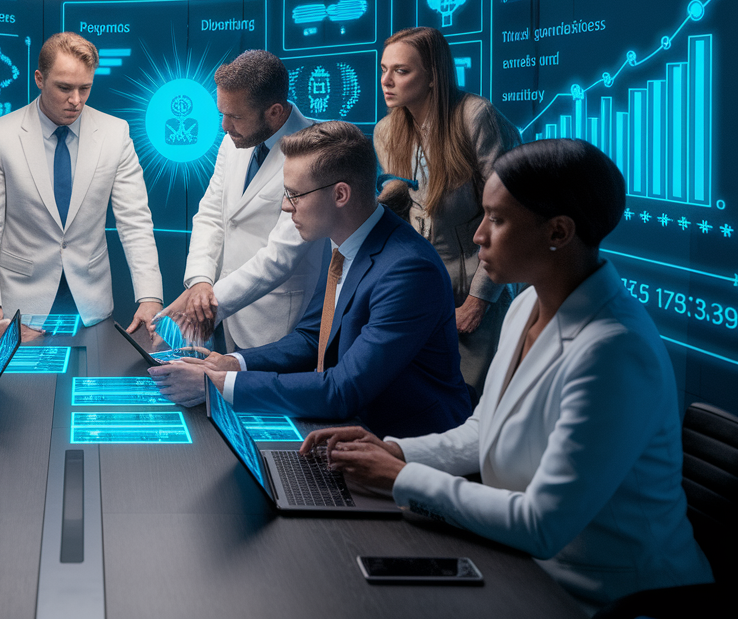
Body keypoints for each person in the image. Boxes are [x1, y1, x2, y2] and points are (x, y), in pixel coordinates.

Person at [302, 140, 713, 608]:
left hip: (607, 597)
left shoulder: (616, 351)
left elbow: (543, 524)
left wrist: (399, 477)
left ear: (558, 231)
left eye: (496, 219)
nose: (478, 235)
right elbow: (486, 431)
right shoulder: (525, 307)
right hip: (522, 567)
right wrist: (393, 449)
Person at [150, 121, 471, 440]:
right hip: (355, 430)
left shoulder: (409, 270)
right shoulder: (346, 241)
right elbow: (312, 336)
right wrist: (232, 363)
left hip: (407, 447)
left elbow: (344, 389)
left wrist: (218, 385)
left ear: (340, 194)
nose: (286, 206)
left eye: (294, 195)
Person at [0, 31, 162, 331]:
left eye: (85, 88)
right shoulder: (0, 136)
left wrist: (150, 296)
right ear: (39, 79)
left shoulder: (115, 133)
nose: (76, 100)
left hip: (91, 301)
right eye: (64, 88)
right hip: (19, 302)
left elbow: (135, 220)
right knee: (21, 380)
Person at [372, 26, 520, 395]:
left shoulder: (475, 116)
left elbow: (511, 211)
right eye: (383, 69)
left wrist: (479, 299)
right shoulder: (387, 131)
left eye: (401, 71)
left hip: (475, 283)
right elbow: (408, 195)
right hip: (421, 284)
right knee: (423, 399)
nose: (386, 81)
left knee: (471, 401)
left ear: (434, 76)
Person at [157, 49, 320, 351]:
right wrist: (200, 282)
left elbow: (281, 255)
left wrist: (206, 302)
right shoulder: (236, 138)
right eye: (222, 113)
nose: (224, 126)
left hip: (271, 324)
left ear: (274, 111)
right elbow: (211, 214)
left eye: (234, 116)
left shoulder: (315, 151)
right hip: (222, 317)